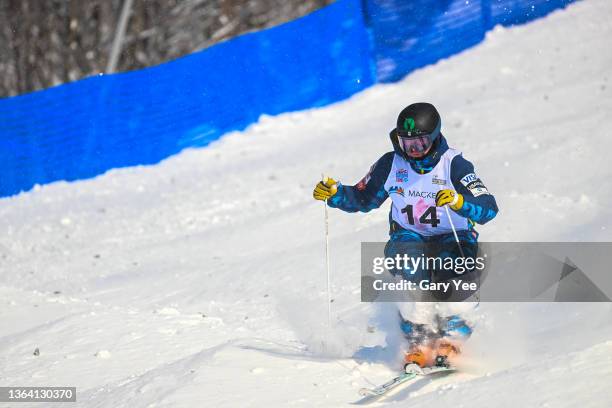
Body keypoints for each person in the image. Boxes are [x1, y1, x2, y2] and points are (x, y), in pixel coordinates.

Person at [313, 102, 498, 371]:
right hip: (409, 235)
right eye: (406, 143)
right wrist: (337, 194)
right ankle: (418, 337)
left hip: (452, 235)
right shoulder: (391, 164)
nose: (412, 150)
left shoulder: (453, 165)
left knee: (454, 270)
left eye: (420, 143)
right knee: (408, 265)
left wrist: (459, 202)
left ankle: (453, 334)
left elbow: (488, 208)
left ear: (434, 138)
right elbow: (364, 198)